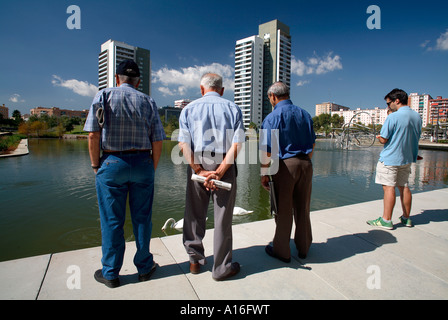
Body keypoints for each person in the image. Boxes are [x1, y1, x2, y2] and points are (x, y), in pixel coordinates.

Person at [84, 59, 166, 288]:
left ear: (116, 78)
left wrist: (94, 166)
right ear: (138, 82)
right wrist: (152, 167)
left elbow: (93, 135)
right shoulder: (148, 101)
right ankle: (144, 268)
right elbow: (158, 139)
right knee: (142, 219)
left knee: (112, 220)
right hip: (142, 162)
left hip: (112, 163)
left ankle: (110, 273)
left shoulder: (103, 96)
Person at [178, 73, 245, 281]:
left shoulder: (188, 109)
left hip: (198, 162)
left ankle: (194, 261)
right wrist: (221, 170)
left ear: (201, 89)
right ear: (222, 90)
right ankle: (221, 268)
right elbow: (237, 144)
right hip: (224, 163)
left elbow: (183, 144)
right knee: (222, 217)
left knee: (194, 213)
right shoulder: (233, 108)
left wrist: (199, 170)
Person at [260, 82, 316, 262]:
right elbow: (312, 144)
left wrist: (264, 173)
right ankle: (304, 247)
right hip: (306, 164)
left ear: (273, 97)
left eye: (270, 98)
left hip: (285, 166)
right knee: (303, 207)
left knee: (283, 210)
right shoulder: (305, 114)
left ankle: (282, 251)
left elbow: (268, 150)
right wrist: (305, 162)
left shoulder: (272, 118)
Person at [367, 88, 422, 230]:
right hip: (406, 159)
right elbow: (414, 138)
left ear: (397, 101)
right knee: (404, 187)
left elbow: (384, 139)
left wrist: (380, 137)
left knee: (389, 188)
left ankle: (386, 220)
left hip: (390, 159)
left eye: (389, 103)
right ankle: (406, 218)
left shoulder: (393, 117)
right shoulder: (417, 117)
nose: (388, 106)